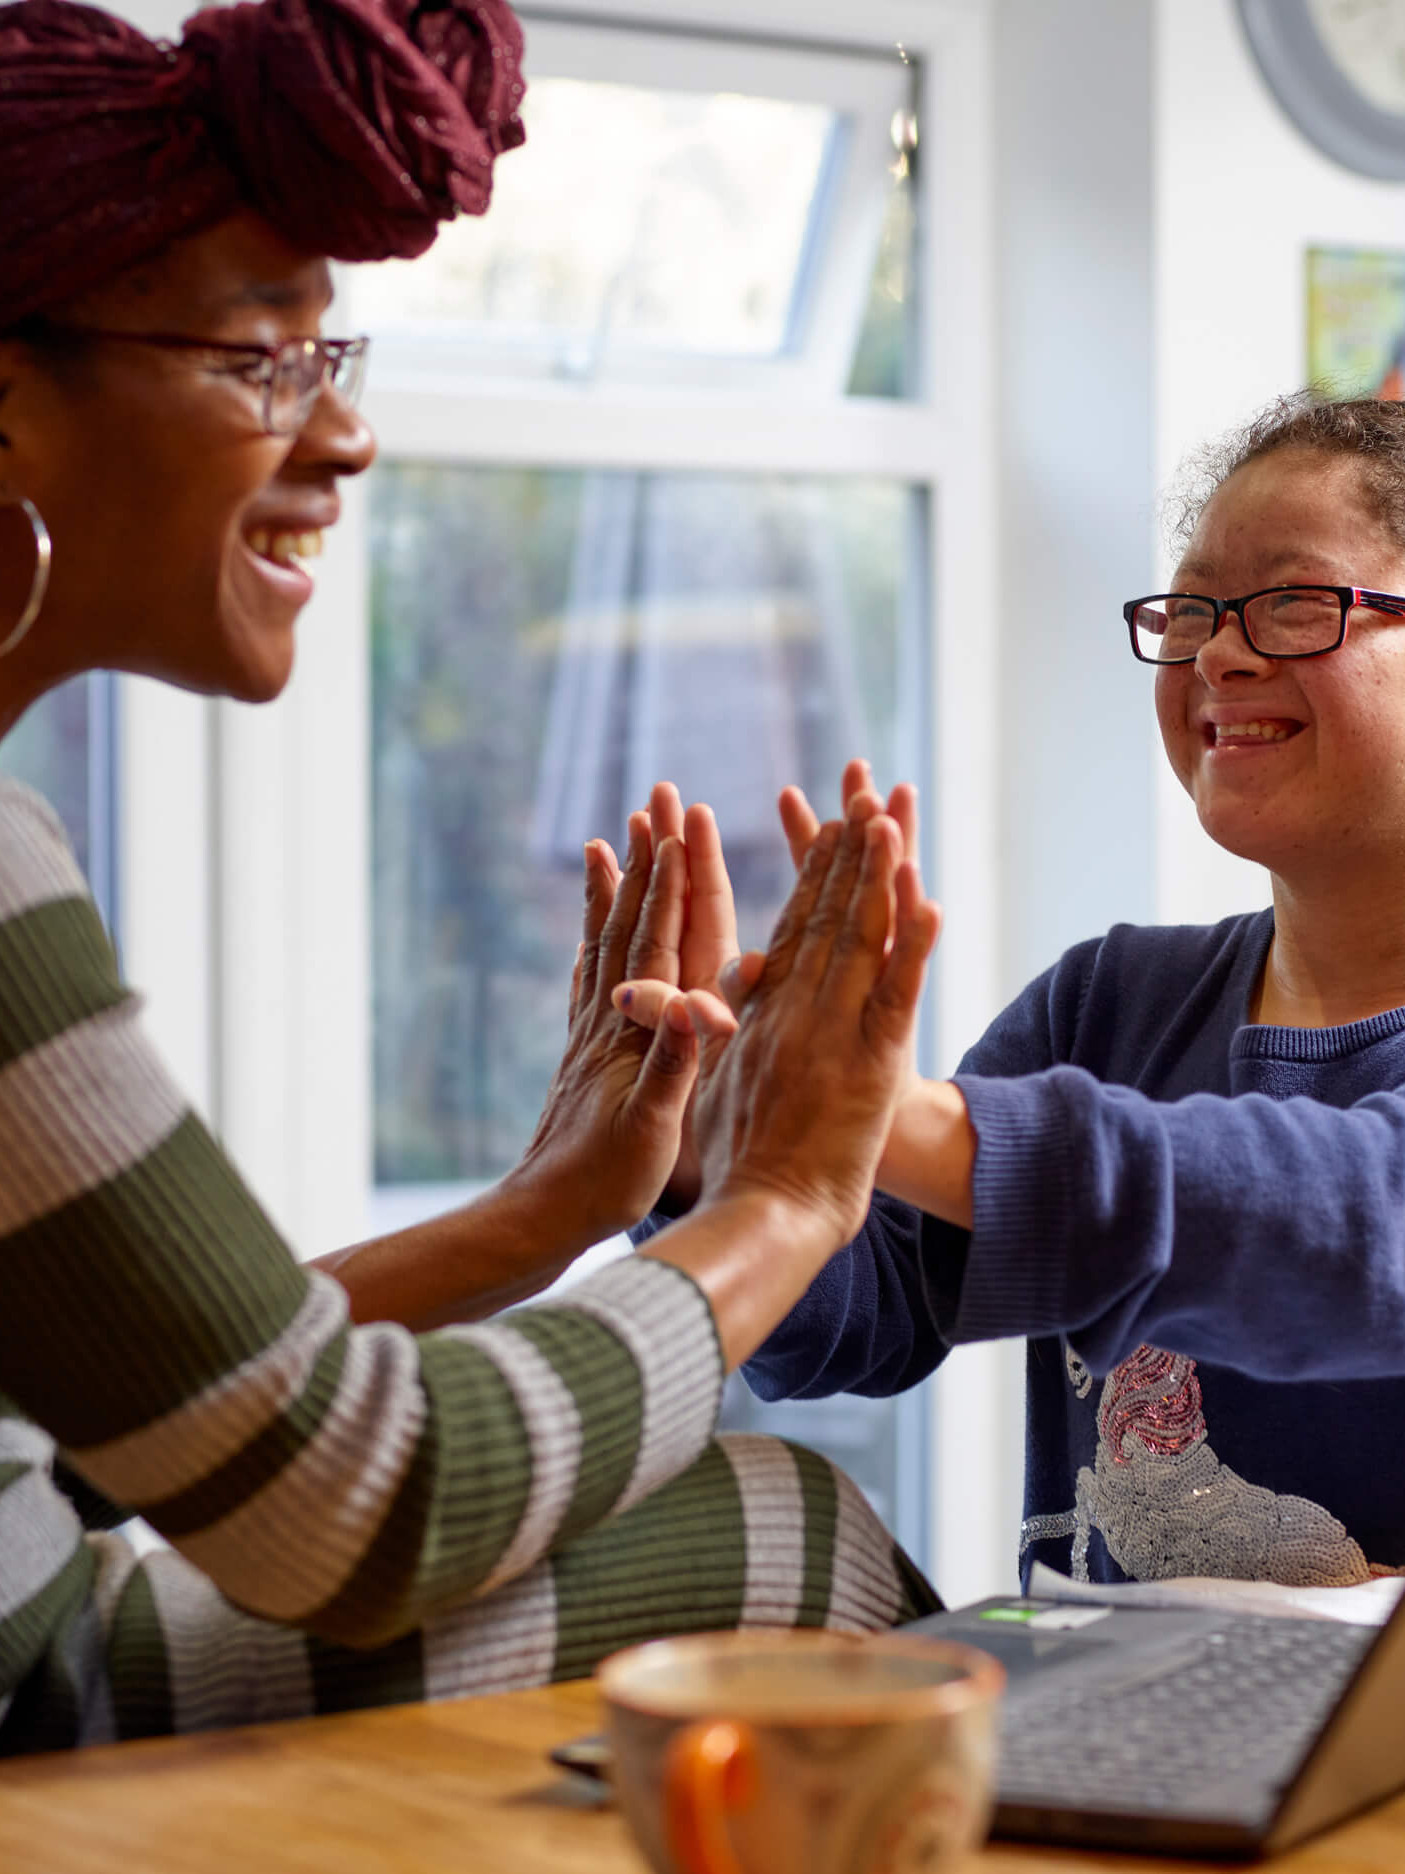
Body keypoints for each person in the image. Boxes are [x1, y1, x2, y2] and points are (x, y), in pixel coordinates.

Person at [0, 0, 942, 1755]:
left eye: (331, 357)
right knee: (796, 1529)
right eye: (259, 355)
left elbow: (116, 1412)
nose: (340, 437)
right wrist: (791, 1197)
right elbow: (358, 1504)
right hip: (42, 1706)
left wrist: (556, 1206)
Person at [627, 396, 1405, 1593]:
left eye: (1295, 604)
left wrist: (886, 1113)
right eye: (1192, 609)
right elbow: (857, 1310)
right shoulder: (1110, 1001)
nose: (1218, 654)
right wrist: (706, 1138)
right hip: (1115, 1749)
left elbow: (1351, 1223)